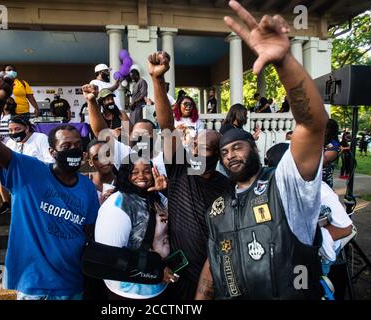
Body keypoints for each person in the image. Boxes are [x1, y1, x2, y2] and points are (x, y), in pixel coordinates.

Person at [195, 0, 329, 300]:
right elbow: (214, 260)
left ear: (254, 147)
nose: (230, 155)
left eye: (237, 147)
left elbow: (312, 124)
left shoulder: (286, 185)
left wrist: (284, 63)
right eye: (224, 152)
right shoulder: (219, 206)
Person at [0, 71, 100, 300]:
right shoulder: (29, 171)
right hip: (34, 286)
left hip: (73, 284)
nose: (72, 150)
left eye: (77, 146)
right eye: (65, 146)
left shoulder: (87, 187)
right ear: (52, 152)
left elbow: (89, 232)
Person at [148, 52, 230, 300]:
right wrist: (157, 80)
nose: (194, 150)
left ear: (218, 155)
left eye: (202, 148)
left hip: (215, 276)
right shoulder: (180, 168)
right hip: (178, 273)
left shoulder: (226, 186)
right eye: (193, 146)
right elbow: (166, 127)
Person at [265, 142, 353, 300]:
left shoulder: (320, 190)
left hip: (312, 258)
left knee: (305, 292)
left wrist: (317, 238)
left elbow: (346, 228)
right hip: (287, 259)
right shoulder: (273, 190)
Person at [95, 155, 178, 300]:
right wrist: (156, 270)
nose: (142, 176)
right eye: (134, 172)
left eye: (146, 171)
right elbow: (110, 256)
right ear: (125, 174)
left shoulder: (155, 197)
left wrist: (165, 190)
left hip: (159, 285)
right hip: (129, 292)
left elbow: (178, 214)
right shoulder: (118, 203)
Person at [83, 84, 167, 177]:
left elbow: (167, 123)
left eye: (145, 135)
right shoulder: (126, 154)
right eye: (136, 135)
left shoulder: (164, 155)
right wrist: (91, 100)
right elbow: (100, 132)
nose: (140, 138)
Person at [86, 139, 116, 204]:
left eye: (107, 154)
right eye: (97, 158)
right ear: (90, 162)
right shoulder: (84, 181)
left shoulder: (122, 183)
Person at [323, 119, 340, 188]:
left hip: (323, 183)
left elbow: (321, 163)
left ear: (327, 131)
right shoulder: (317, 141)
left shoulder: (333, 146)